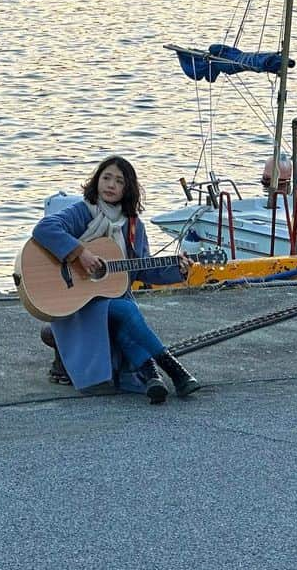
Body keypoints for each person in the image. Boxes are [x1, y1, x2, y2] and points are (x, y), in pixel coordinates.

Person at [31, 155, 200, 404]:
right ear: (97, 180)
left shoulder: (133, 226)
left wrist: (180, 270)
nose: (111, 185)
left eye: (119, 181)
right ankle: (173, 369)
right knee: (126, 310)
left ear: (127, 188)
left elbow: (142, 270)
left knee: (122, 313)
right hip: (78, 305)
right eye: (106, 177)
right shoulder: (82, 211)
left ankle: (152, 375)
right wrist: (80, 253)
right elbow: (44, 229)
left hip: (110, 300)